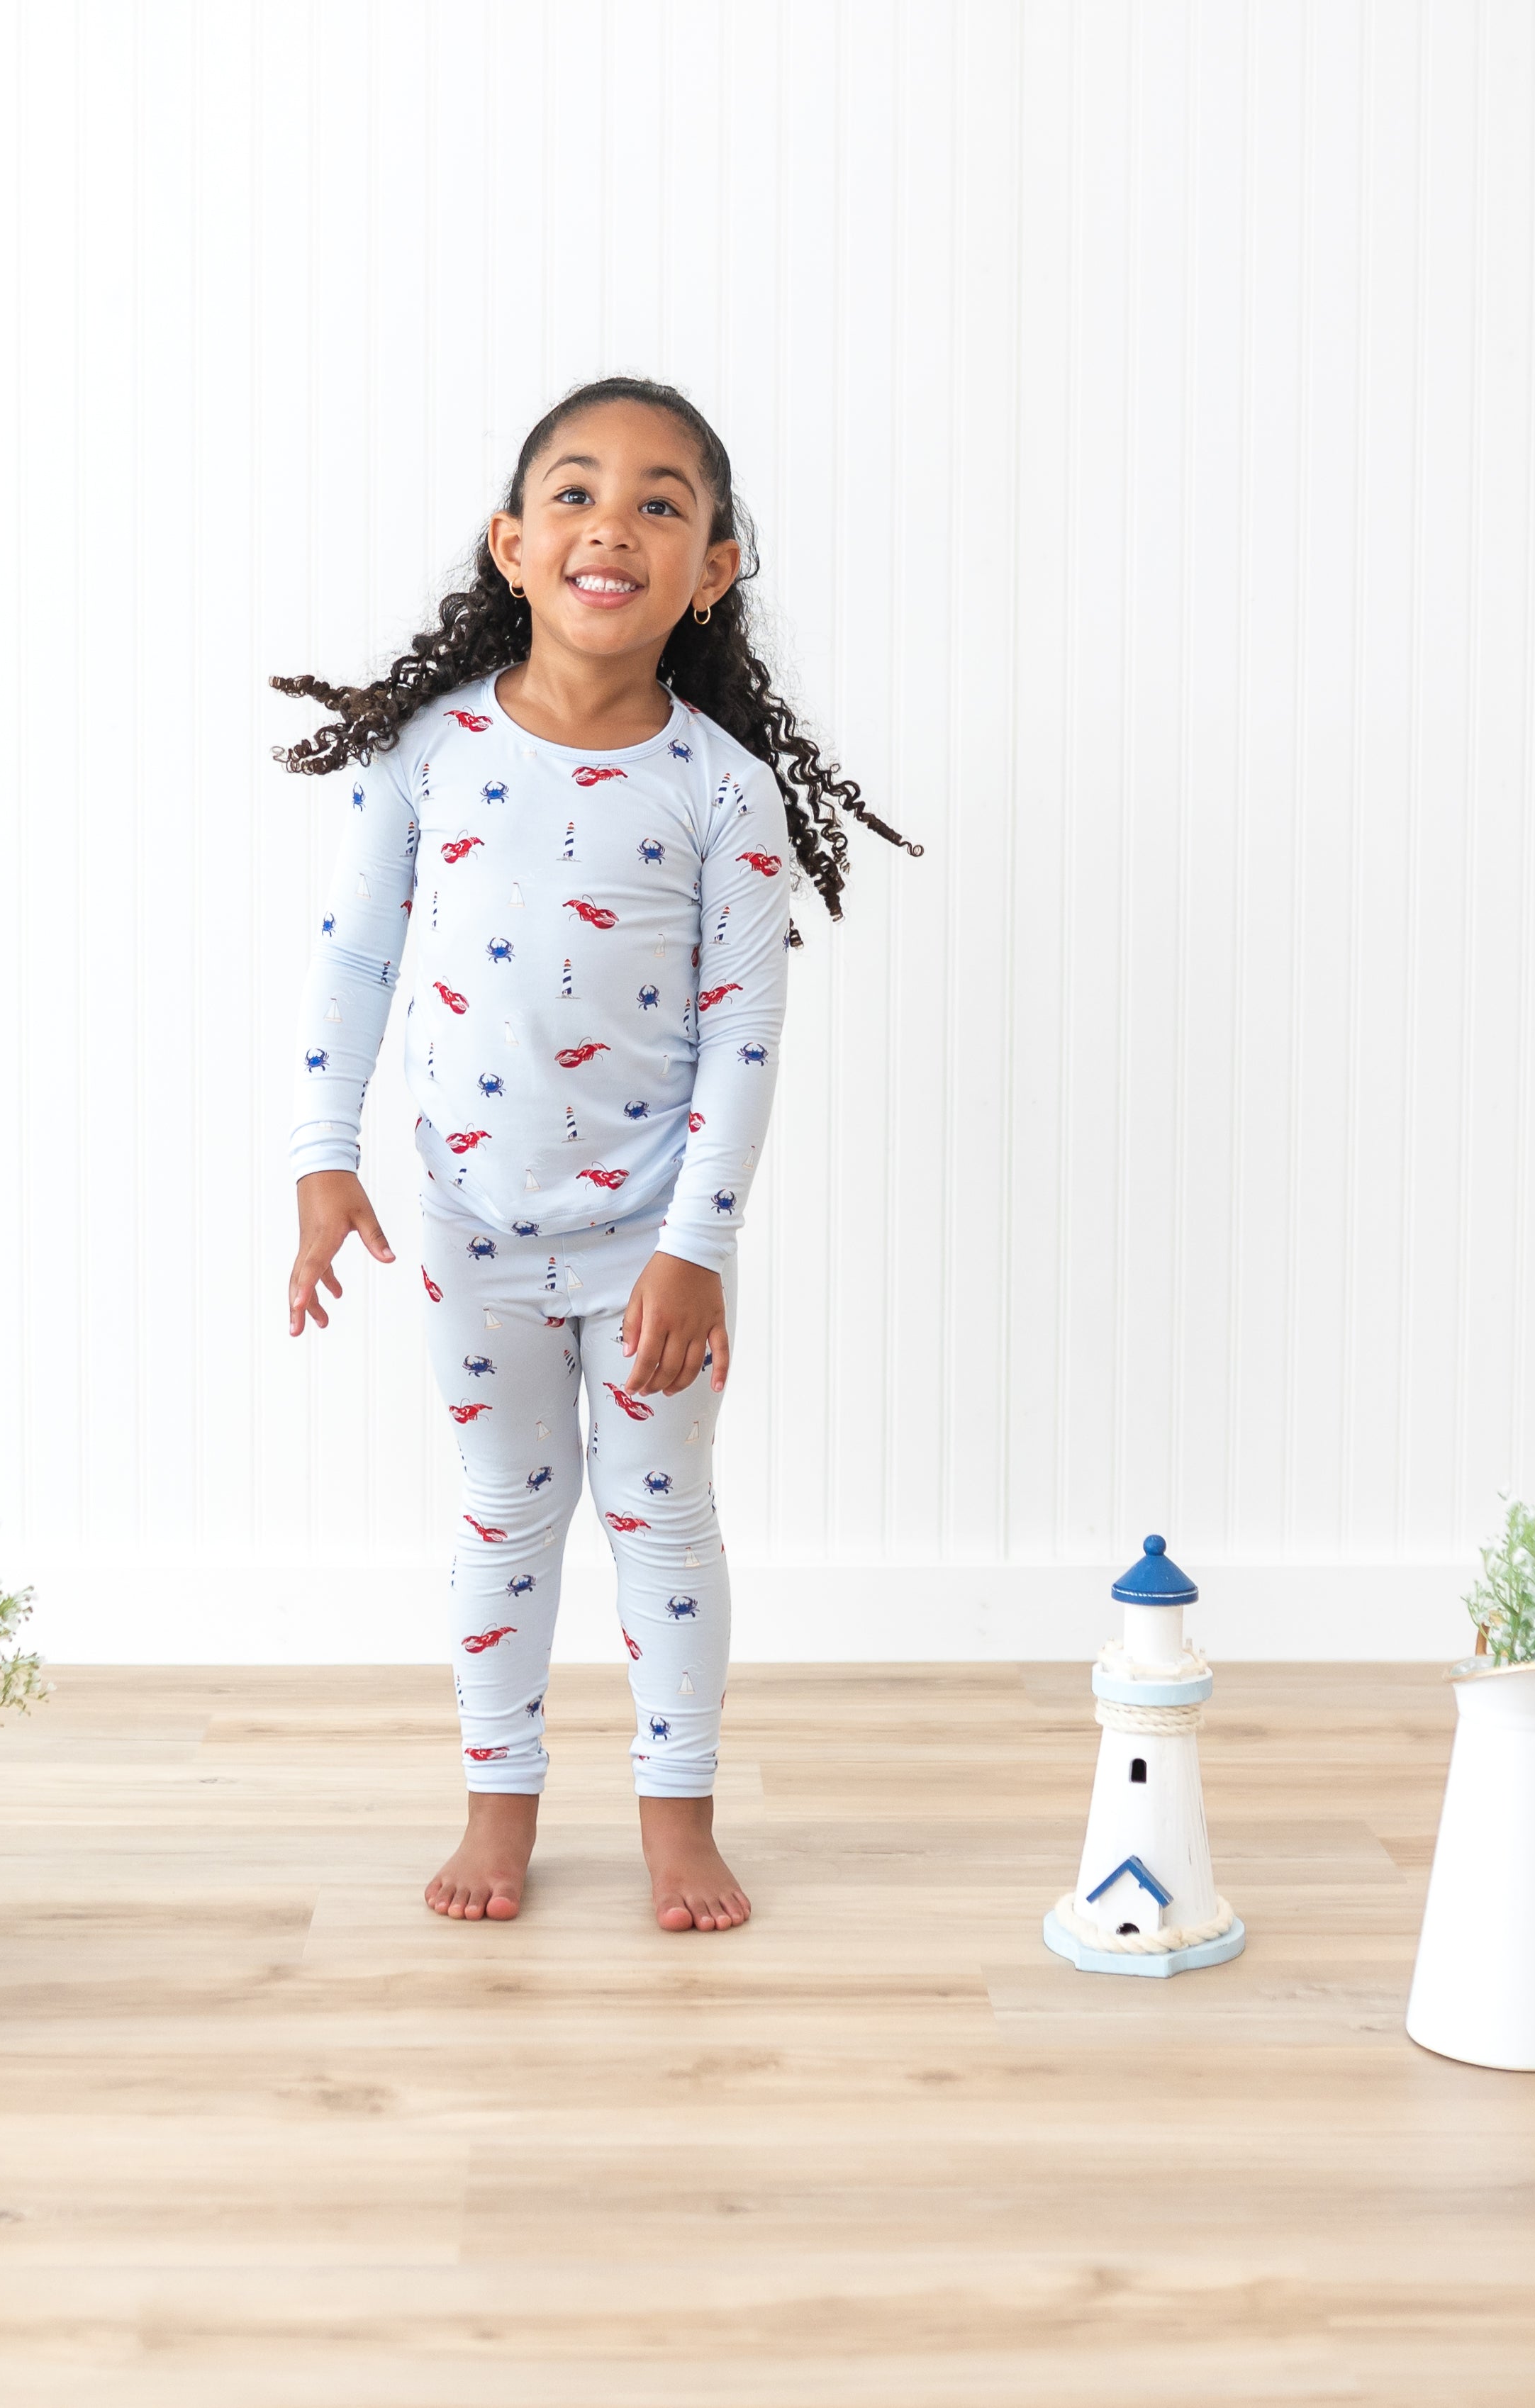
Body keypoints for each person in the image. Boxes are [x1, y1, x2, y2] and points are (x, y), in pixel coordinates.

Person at [273, 376, 920, 1931]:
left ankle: (677, 1815)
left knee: (661, 1518)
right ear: (512, 544)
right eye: (573, 492)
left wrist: (697, 1246)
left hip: (649, 1243)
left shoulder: (721, 792)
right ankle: (497, 1804)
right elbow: (356, 956)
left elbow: (743, 1034)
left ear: (713, 569)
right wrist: (321, 1153)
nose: (609, 525)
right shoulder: (426, 753)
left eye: (657, 503)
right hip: (471, 1228)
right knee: (505, 1510)